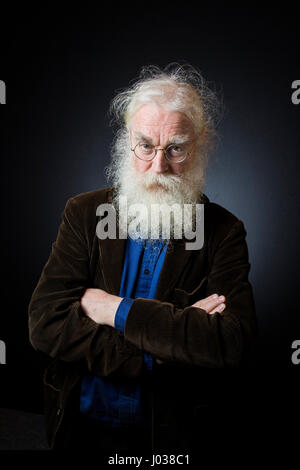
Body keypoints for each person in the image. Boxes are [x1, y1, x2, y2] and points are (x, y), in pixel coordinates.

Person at [28, 64, 257, 454]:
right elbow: (45, 324)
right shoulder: (84, 213)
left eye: (176, 148)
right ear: (127, 142)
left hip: (170, 436)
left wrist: (114, 309)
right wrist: (161, 355)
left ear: (199, 145)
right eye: (145, 145)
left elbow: (229, 344)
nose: (158, 165)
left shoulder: (224, 231)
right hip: (81, 429)